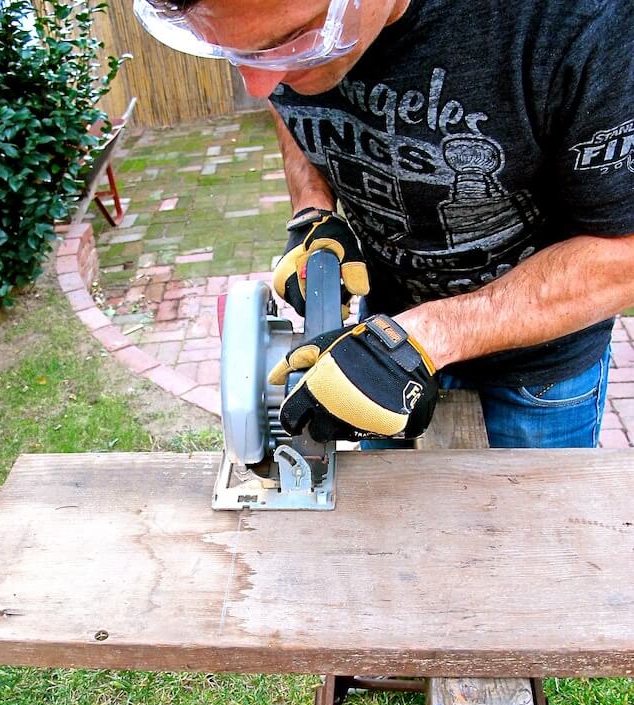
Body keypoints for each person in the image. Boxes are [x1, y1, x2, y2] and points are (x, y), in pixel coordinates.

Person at [133, 0, 634, 447]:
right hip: (380, 342)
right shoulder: (274, 50)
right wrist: (313, 209)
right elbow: (283, 100)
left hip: (535, 374)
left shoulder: (583, 22)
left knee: (524, 546)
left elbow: (625, 254)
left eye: (294, 42)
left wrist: (430, 335)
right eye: (238, 55)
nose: (260, 83)